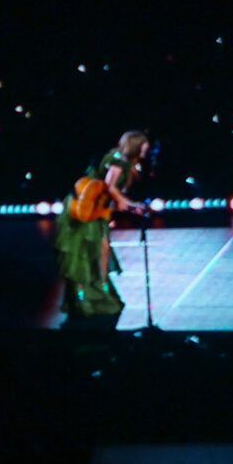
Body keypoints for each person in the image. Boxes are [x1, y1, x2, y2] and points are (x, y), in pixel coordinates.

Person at [52, 130, 153, 326]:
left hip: (97, 212)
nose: (145, 151)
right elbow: (109, 187)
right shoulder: (118, 164)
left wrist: (128, 205)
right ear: (135, 146)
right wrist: (129, 203)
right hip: (87, 212)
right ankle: (90, 299)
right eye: (144, 147)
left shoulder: (120, 160)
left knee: (98, 253)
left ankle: (96, 293)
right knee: (89, 253)